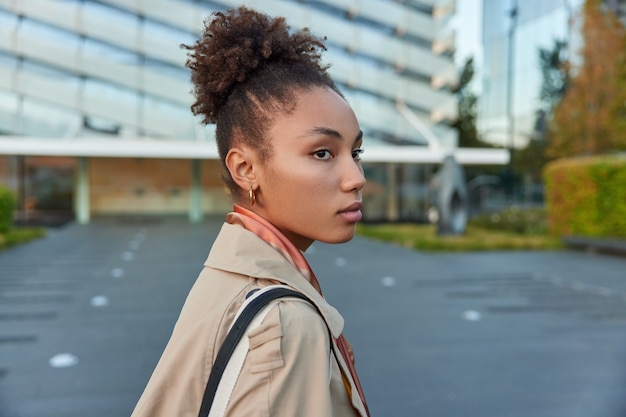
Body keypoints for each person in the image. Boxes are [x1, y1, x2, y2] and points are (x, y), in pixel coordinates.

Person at [131, 6, 369, 417]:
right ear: (245, 169)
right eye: (323, 152)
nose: (356, 177)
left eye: (356, 152)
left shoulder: (229, 273)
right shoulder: (283, 323)